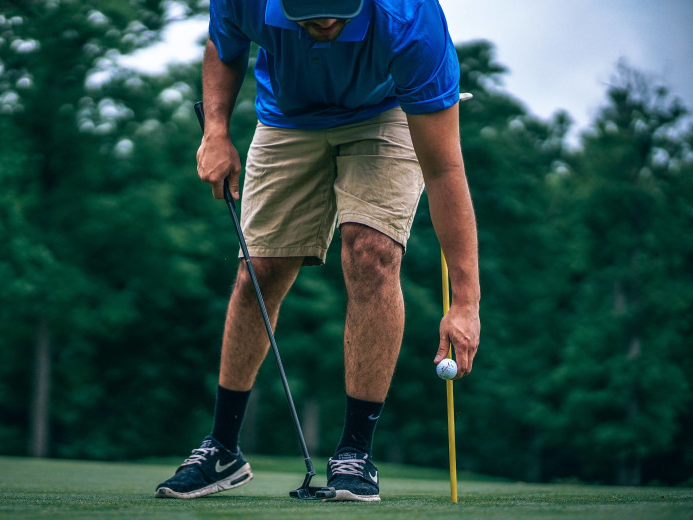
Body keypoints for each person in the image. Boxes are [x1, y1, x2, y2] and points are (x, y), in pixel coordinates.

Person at [155, 0, 480, 502]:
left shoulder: (411, 23)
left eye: (337, 11)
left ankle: (354, 453)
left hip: (387, 112)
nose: (325, 22)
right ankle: (222, 449)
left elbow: (444, 170)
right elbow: (224, 43)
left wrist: (465, 304)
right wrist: (216, 130)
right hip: (287, 116)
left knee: (371, 253)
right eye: (311, 13)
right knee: (258, 271)